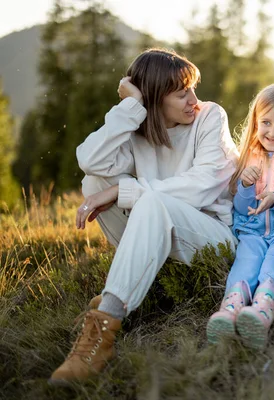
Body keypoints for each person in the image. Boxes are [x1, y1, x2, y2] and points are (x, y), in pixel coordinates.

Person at [49, 48, 239, 384]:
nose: (193, 99)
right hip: (166, 238)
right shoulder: (138, 128)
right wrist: (131, 106)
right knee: (95, 182)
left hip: (217, 240)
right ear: (154, 100)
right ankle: (141, 288)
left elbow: (202, 186)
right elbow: (90, 160)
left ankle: (102, 331)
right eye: (182, 94)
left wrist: (127, 192)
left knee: (150, 201)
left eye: (193, 89)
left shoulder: (210, 117)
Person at [206, 82, 274, 350]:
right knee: (245, 266)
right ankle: (229, 312)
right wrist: (246, 187)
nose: (272, 132)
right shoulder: (249, 157)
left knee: (273, 266)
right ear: (255, 122)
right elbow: (240, 208)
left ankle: (261, 314)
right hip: (251, 231)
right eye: (266, 122)